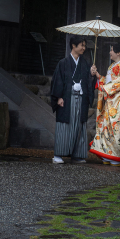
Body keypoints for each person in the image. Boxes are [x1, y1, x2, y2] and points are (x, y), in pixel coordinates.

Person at [50, 35, 95, 164]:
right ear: (73, 46)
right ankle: (58, 154)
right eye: (82, 45)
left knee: (79, 126)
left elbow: (88, 81)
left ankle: (77, 154)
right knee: (64, 126)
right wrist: (59, 97)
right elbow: (57, 81)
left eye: (84, 45)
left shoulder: (85, 63)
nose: (84, 48)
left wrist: (92, 75)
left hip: (81, 99)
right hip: (67, 99)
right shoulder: (63, 63)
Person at [89, 43, 120, 165]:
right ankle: (108, 154)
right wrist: (98, 75)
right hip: (110, 101)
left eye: (112, 50)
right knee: (107, 127)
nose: (110, 52)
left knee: (117, 128)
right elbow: (109, 81)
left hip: (117, 102)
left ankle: (118, 155)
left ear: (119, 53)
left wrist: (106, 88)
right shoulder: (113, 66)